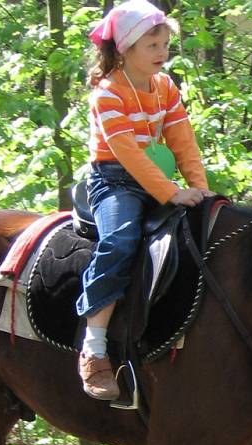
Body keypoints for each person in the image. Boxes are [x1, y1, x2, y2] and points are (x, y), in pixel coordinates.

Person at [77, 0, 209, 400]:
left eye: (165, 44)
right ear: (125, 48)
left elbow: (181, 140)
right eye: (152, 45)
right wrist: (171, 193)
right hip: (114, 181)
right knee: (120, 240)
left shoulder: (164, 86)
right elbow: (128, 154)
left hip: (153, 178)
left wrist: (199, 187)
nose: (162, 52)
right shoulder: (107, 94)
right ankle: (94, 346)